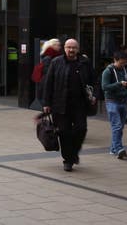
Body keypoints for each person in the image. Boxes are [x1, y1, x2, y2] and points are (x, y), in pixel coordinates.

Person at [43, 38, 96, 172]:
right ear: (64, 49)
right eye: (68, 47)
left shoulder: (84, 62)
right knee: (64, 133)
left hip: (80, 104)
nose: (71, 50)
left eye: (74, 48)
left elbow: (93, 80)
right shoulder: (56, 62)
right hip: (60, 105)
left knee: (81, 129)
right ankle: (68, 160)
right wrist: (46, 103)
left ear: (78, 49)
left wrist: (94, 95)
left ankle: (74, 153)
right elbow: (48, 83)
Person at [101, 51, 127, 159]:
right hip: (111, 101)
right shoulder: (108, 71)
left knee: (120, 127)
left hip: (123, 101)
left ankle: (113, 148)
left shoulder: (125, 71)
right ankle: (119, 149)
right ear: (115, 60)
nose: (123, 65)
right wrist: (119, 84)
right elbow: (104, 87)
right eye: (121, 63)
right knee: (117, 126)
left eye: (125, 63)